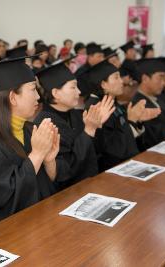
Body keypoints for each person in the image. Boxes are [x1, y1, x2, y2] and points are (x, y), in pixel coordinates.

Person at [0, 56, 59, 228]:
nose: (38, 96)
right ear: (13, 98)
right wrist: (37, 155)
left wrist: (49, 160)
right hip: (7, 233)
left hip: (40, 221)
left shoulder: (31, 130)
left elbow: (44, 189)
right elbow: (4, 203)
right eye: (32, 90)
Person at [34, 59, 114, 188]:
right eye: (73, 87)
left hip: (90, 183)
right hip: (67, 194)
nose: (79, 92)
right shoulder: (45, 124)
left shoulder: (76, 115)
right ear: (56, 93)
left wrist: (97, 126)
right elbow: (66, 170)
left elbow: (97, 153)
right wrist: (88, 131)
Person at [84, 60, 160, 170]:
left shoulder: (111, 101)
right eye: (116, 77)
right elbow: (111, 150)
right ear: (103, 84)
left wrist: (137, 121)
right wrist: (132, 122)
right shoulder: (96, 108)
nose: (122, 82)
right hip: (110, 171)